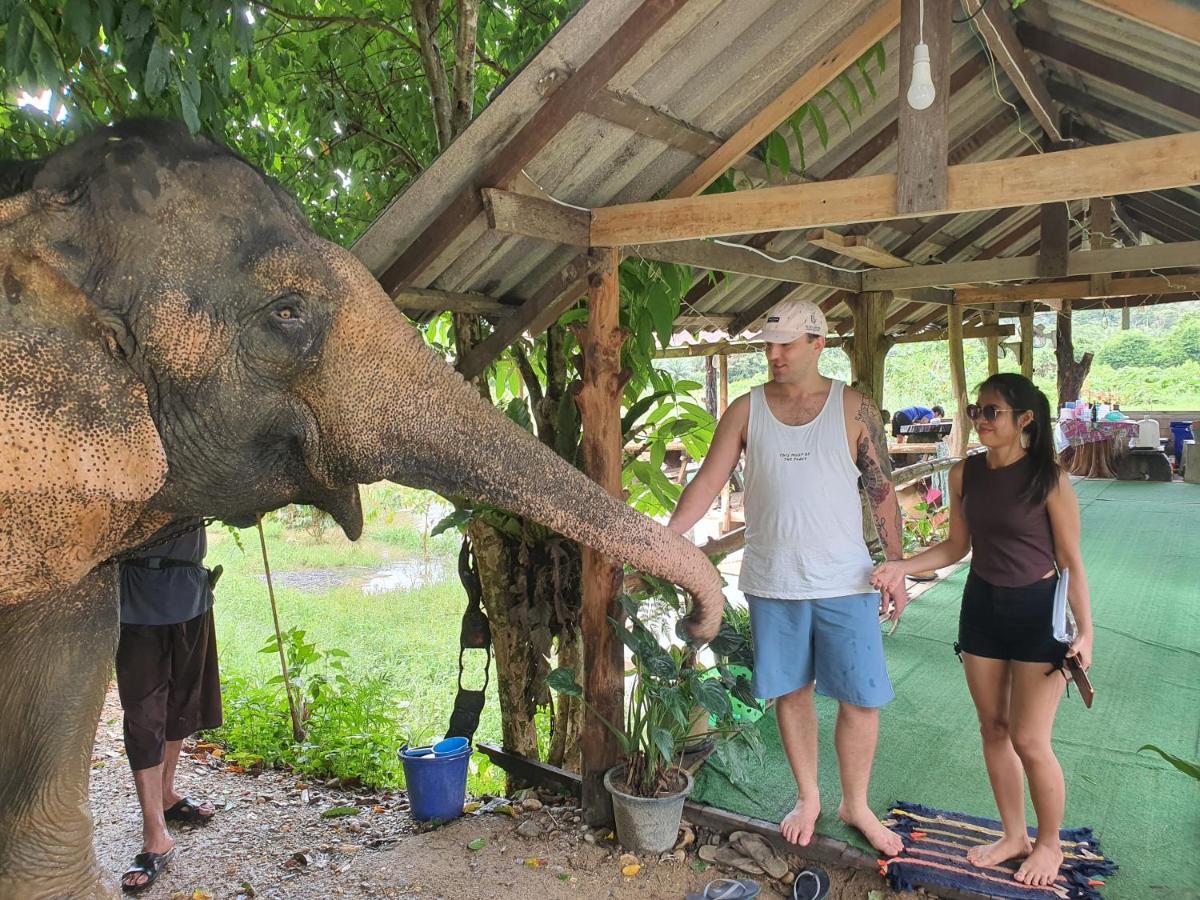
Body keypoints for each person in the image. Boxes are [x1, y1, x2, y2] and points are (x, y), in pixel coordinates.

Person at [669, 299, 907, 857]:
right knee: (791, 693)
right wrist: (669, 535)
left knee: (861, 698)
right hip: (772, 579)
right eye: (769, 345)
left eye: (787, 344)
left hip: (846, 579)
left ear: (818, 344)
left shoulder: (853, 409)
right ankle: (808, 796)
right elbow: (708, 481)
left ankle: (857, 804)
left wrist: (895, 565)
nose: (774, 355)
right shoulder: (746, 410)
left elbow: (883, 491)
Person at [871, 373, 1094, 888]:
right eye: (978, 409)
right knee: (993, 729)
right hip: (982, 611)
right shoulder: (966, 473)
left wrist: (1086, 635)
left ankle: (1050, 845)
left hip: (1038, 612)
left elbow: (1071, 562)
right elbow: (956, 547)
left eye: (993, 411)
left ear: (1025, 420)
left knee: (1030, 739)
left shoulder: (1049, 480)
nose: (981, 419)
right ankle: (1014, 835)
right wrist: (903, 566)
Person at [116, 518, 223, 893]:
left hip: (192, 596)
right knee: (144, 716)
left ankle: (166, 795)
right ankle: (154, 833)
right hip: (138, 602)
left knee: (182, 702)